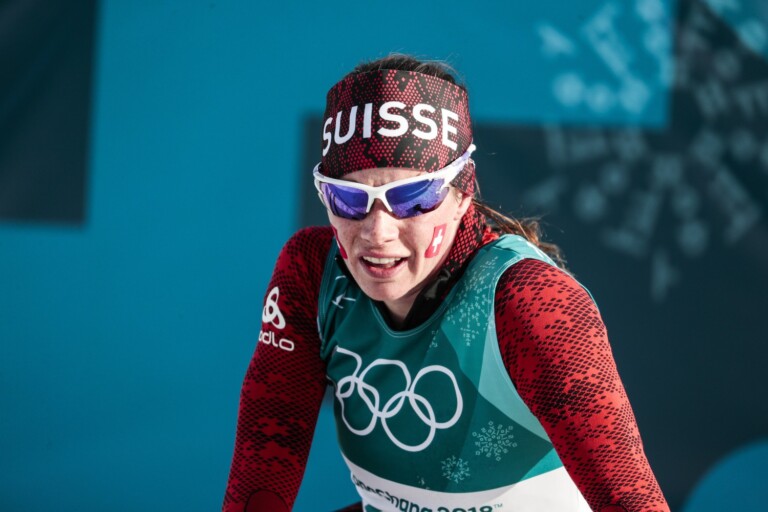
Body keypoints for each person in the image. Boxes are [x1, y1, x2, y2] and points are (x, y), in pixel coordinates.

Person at [223, 54, 670, 512]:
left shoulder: (532, 302)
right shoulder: (313, 272)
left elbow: (633, 503)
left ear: (462, 195)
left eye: (411, 197)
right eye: (348, 198)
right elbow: (263, 469)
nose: (377, 232)